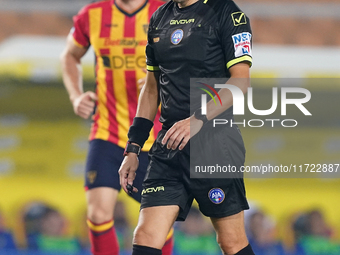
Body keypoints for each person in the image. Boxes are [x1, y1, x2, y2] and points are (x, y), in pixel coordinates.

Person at [118, 0, 255, 254]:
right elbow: (151, 88)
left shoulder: (228, 13)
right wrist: (133, 148)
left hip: (215, 144)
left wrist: (197, 120)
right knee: (146, 234)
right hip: (169, 145)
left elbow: (240, 82)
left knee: (231, 241)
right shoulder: (160, 16)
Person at [60, 0, 174, 254]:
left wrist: (163, 78)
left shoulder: (167, 11)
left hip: (153, 140)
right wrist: (76, 96)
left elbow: (193, 60)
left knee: (159, 223)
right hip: (107, 134)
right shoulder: (93, 15)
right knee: (98, 213)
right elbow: (70, 54)